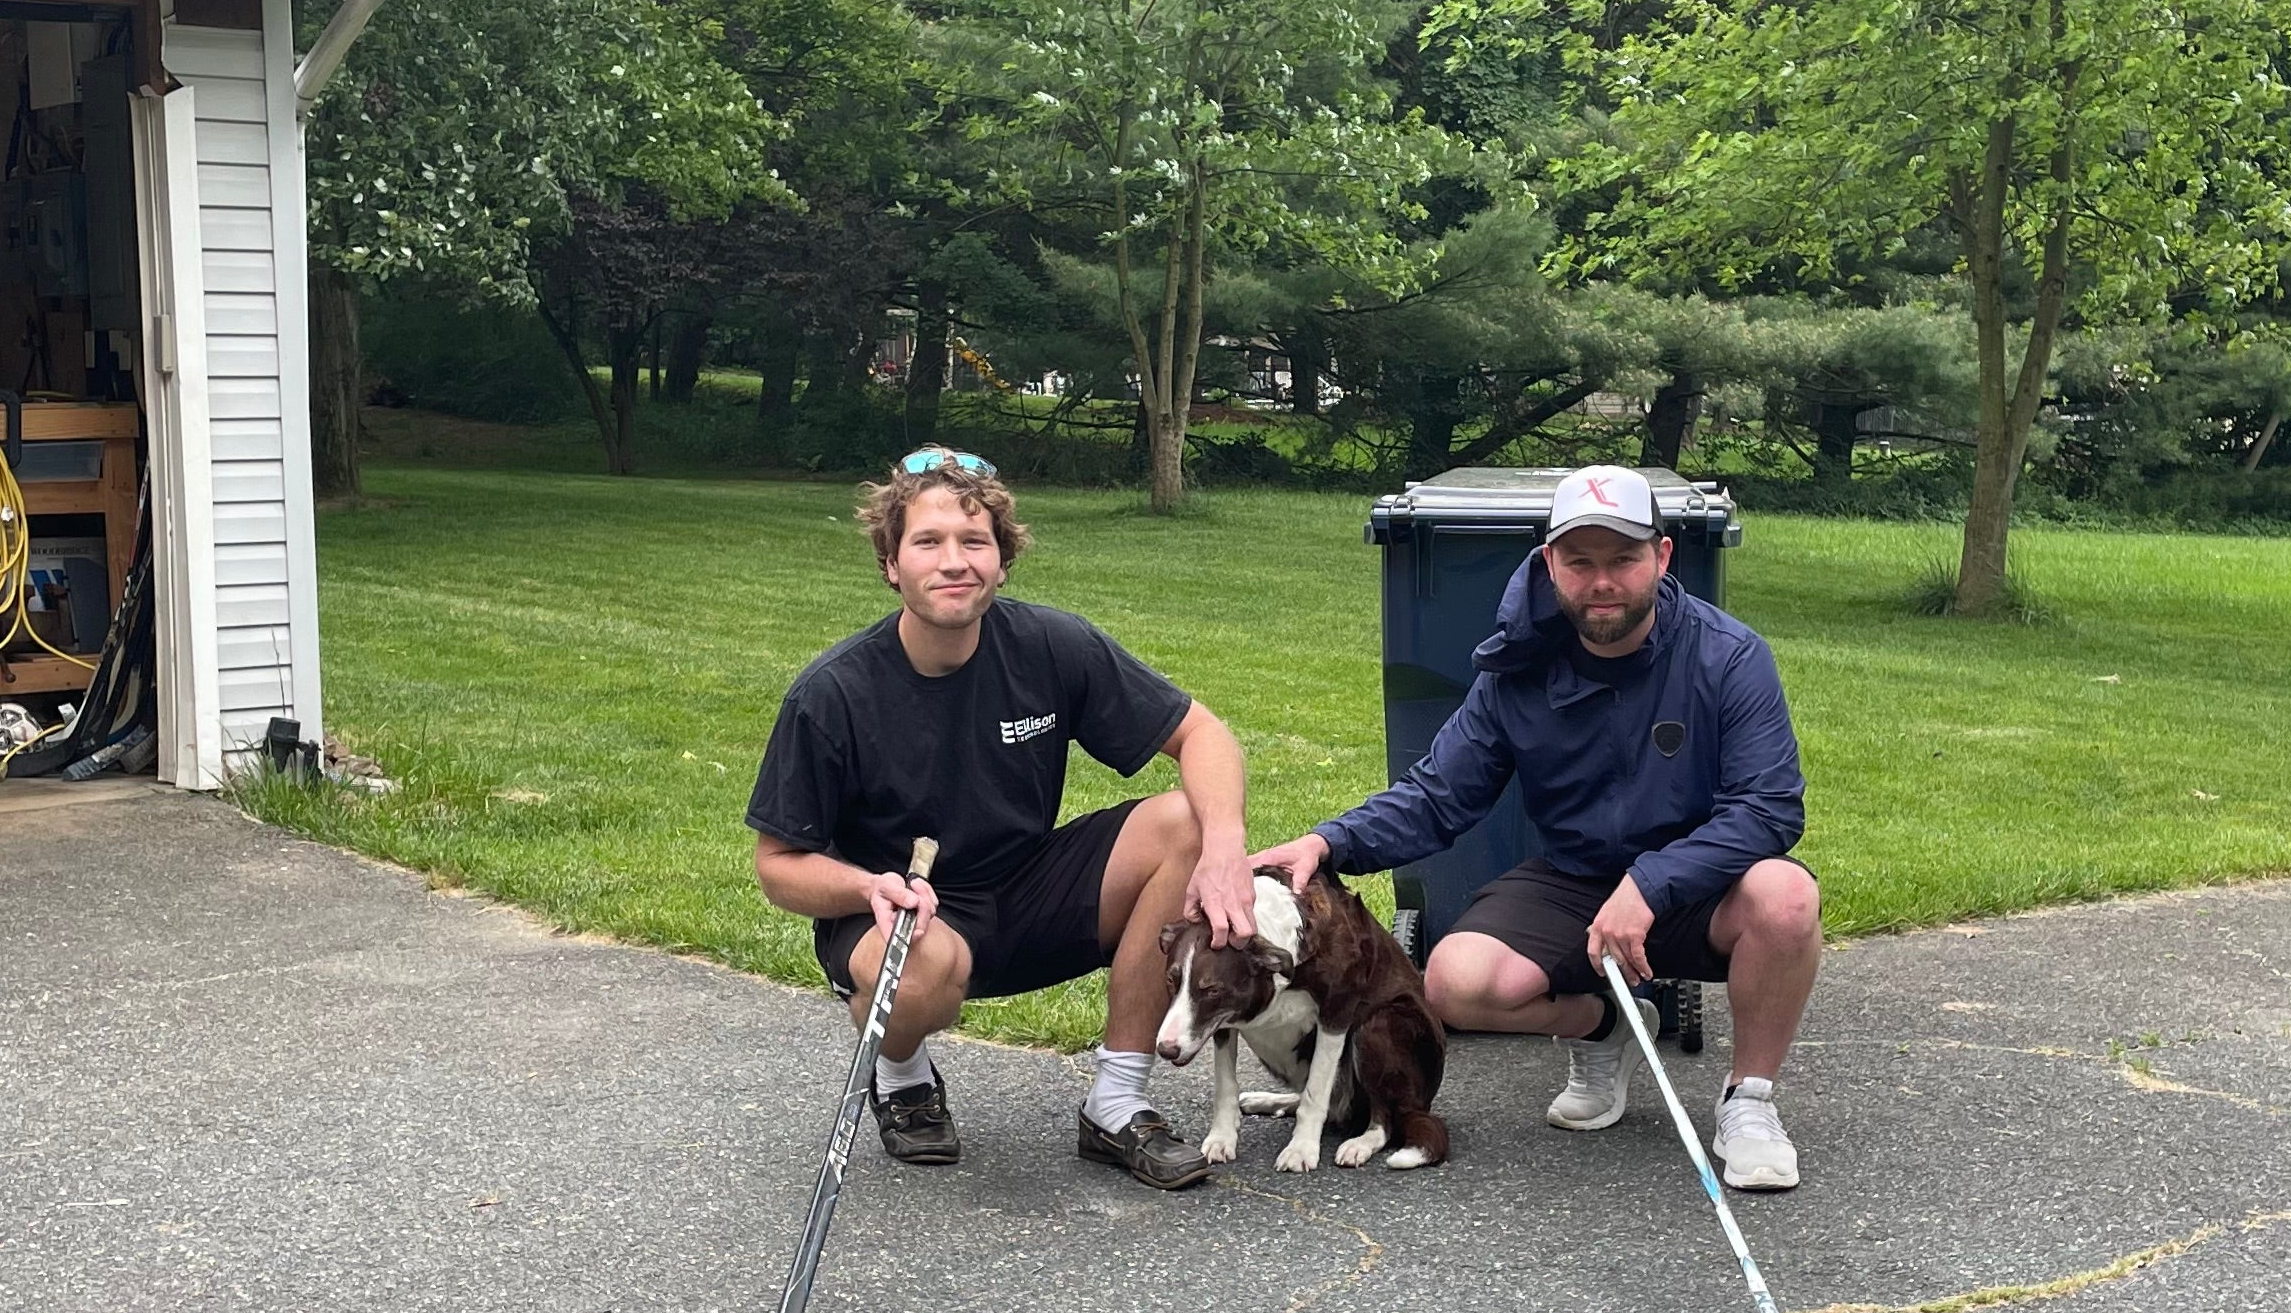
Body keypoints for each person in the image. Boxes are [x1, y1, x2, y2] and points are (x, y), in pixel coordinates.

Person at [1256, 464, 1820, 1190]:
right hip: (1575, 880)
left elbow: (1768, 808)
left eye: (1622, 558)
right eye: (1579, 562)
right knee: (1455, 983)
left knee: (1786, 898)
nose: (1602, 581)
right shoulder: (1516, 669)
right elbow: (1438, 796)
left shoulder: (1729, 656)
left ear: (1663, 556)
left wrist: (1649, 883)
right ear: (1548, 563)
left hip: (1701, 887)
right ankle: (1606, 1027)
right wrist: (1326, 841)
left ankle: (1749, 1101)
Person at [747, 447, 1256, 1190]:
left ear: (1002, 560)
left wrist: (1226, 848)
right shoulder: (833, 694)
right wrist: (868, 891)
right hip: (902, 918)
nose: (954, 562)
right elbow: (777, 865)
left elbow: (1203, 735)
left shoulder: (1052, 644)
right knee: (921, 972)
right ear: (891, 565)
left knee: (1187, 820)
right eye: (927, 542)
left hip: (1024, 892)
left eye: (973, 542)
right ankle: (903, 1077)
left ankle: (1116, 1102)